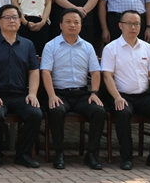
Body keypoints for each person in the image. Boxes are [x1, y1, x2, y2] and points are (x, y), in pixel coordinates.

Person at [101, 10, 150, 171]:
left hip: (143, 95)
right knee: (123, 112)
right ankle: (127, 158)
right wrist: (117, 97)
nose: (133, 27)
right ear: (120, 25)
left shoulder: (147, 48)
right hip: (120, 95)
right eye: (129, 24)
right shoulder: (111, 48)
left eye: (136, 24)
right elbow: (107, 76)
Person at [40, 9, 105, 170]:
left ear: (81, 26)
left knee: (99, 111)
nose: (72, 25)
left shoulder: (88, 47)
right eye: (68, 22)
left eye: (76, 22)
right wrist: (51, 95)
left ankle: (91, 154)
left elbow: (95, 72)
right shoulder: (51, 46)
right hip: (59, 93)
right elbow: (45, 72)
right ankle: (59, 153)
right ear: (60, 25)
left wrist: (94, 93)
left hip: (82, 93)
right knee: (56, 111)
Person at [0, 4, 42, 169]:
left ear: (20, 22)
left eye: (15, 17)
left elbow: (34, 71)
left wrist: (32, 93)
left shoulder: (28, 44)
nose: (12, 20)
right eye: (7, 17)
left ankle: (23, 154)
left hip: (20, 95)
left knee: (35, 114)